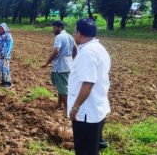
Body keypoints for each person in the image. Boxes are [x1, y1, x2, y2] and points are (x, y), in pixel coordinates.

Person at [67, 18, 111, 155]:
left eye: (75, 32)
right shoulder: (99, 48)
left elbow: (88, 82)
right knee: (91, 148)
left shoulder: (87, 52)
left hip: (86, 112)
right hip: (96, 108)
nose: (74, 35)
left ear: (79, 33)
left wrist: (75, 107)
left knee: (84, 150)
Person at [41, 20, 77, 111]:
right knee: (61, 86)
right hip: (68, 65)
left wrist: (47, 63)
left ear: (60, 27)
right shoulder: (70, 36)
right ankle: (59, 104)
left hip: (61, 66)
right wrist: (70, 59)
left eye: (54, 28)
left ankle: (67, 109)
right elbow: (75, 50)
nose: (53, 30)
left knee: (62, 88)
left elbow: (56, 51)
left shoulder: (59, 37)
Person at [0, 23, 13, 88]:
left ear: (5, 29)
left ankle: (8, 82)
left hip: (5, 56)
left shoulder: (8, 36)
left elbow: (10, 45)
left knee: (5, 68)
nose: (1, 30)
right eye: (0, 28)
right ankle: (2, 81)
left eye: (2, 28)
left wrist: (6, 55)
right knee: (0, 68)